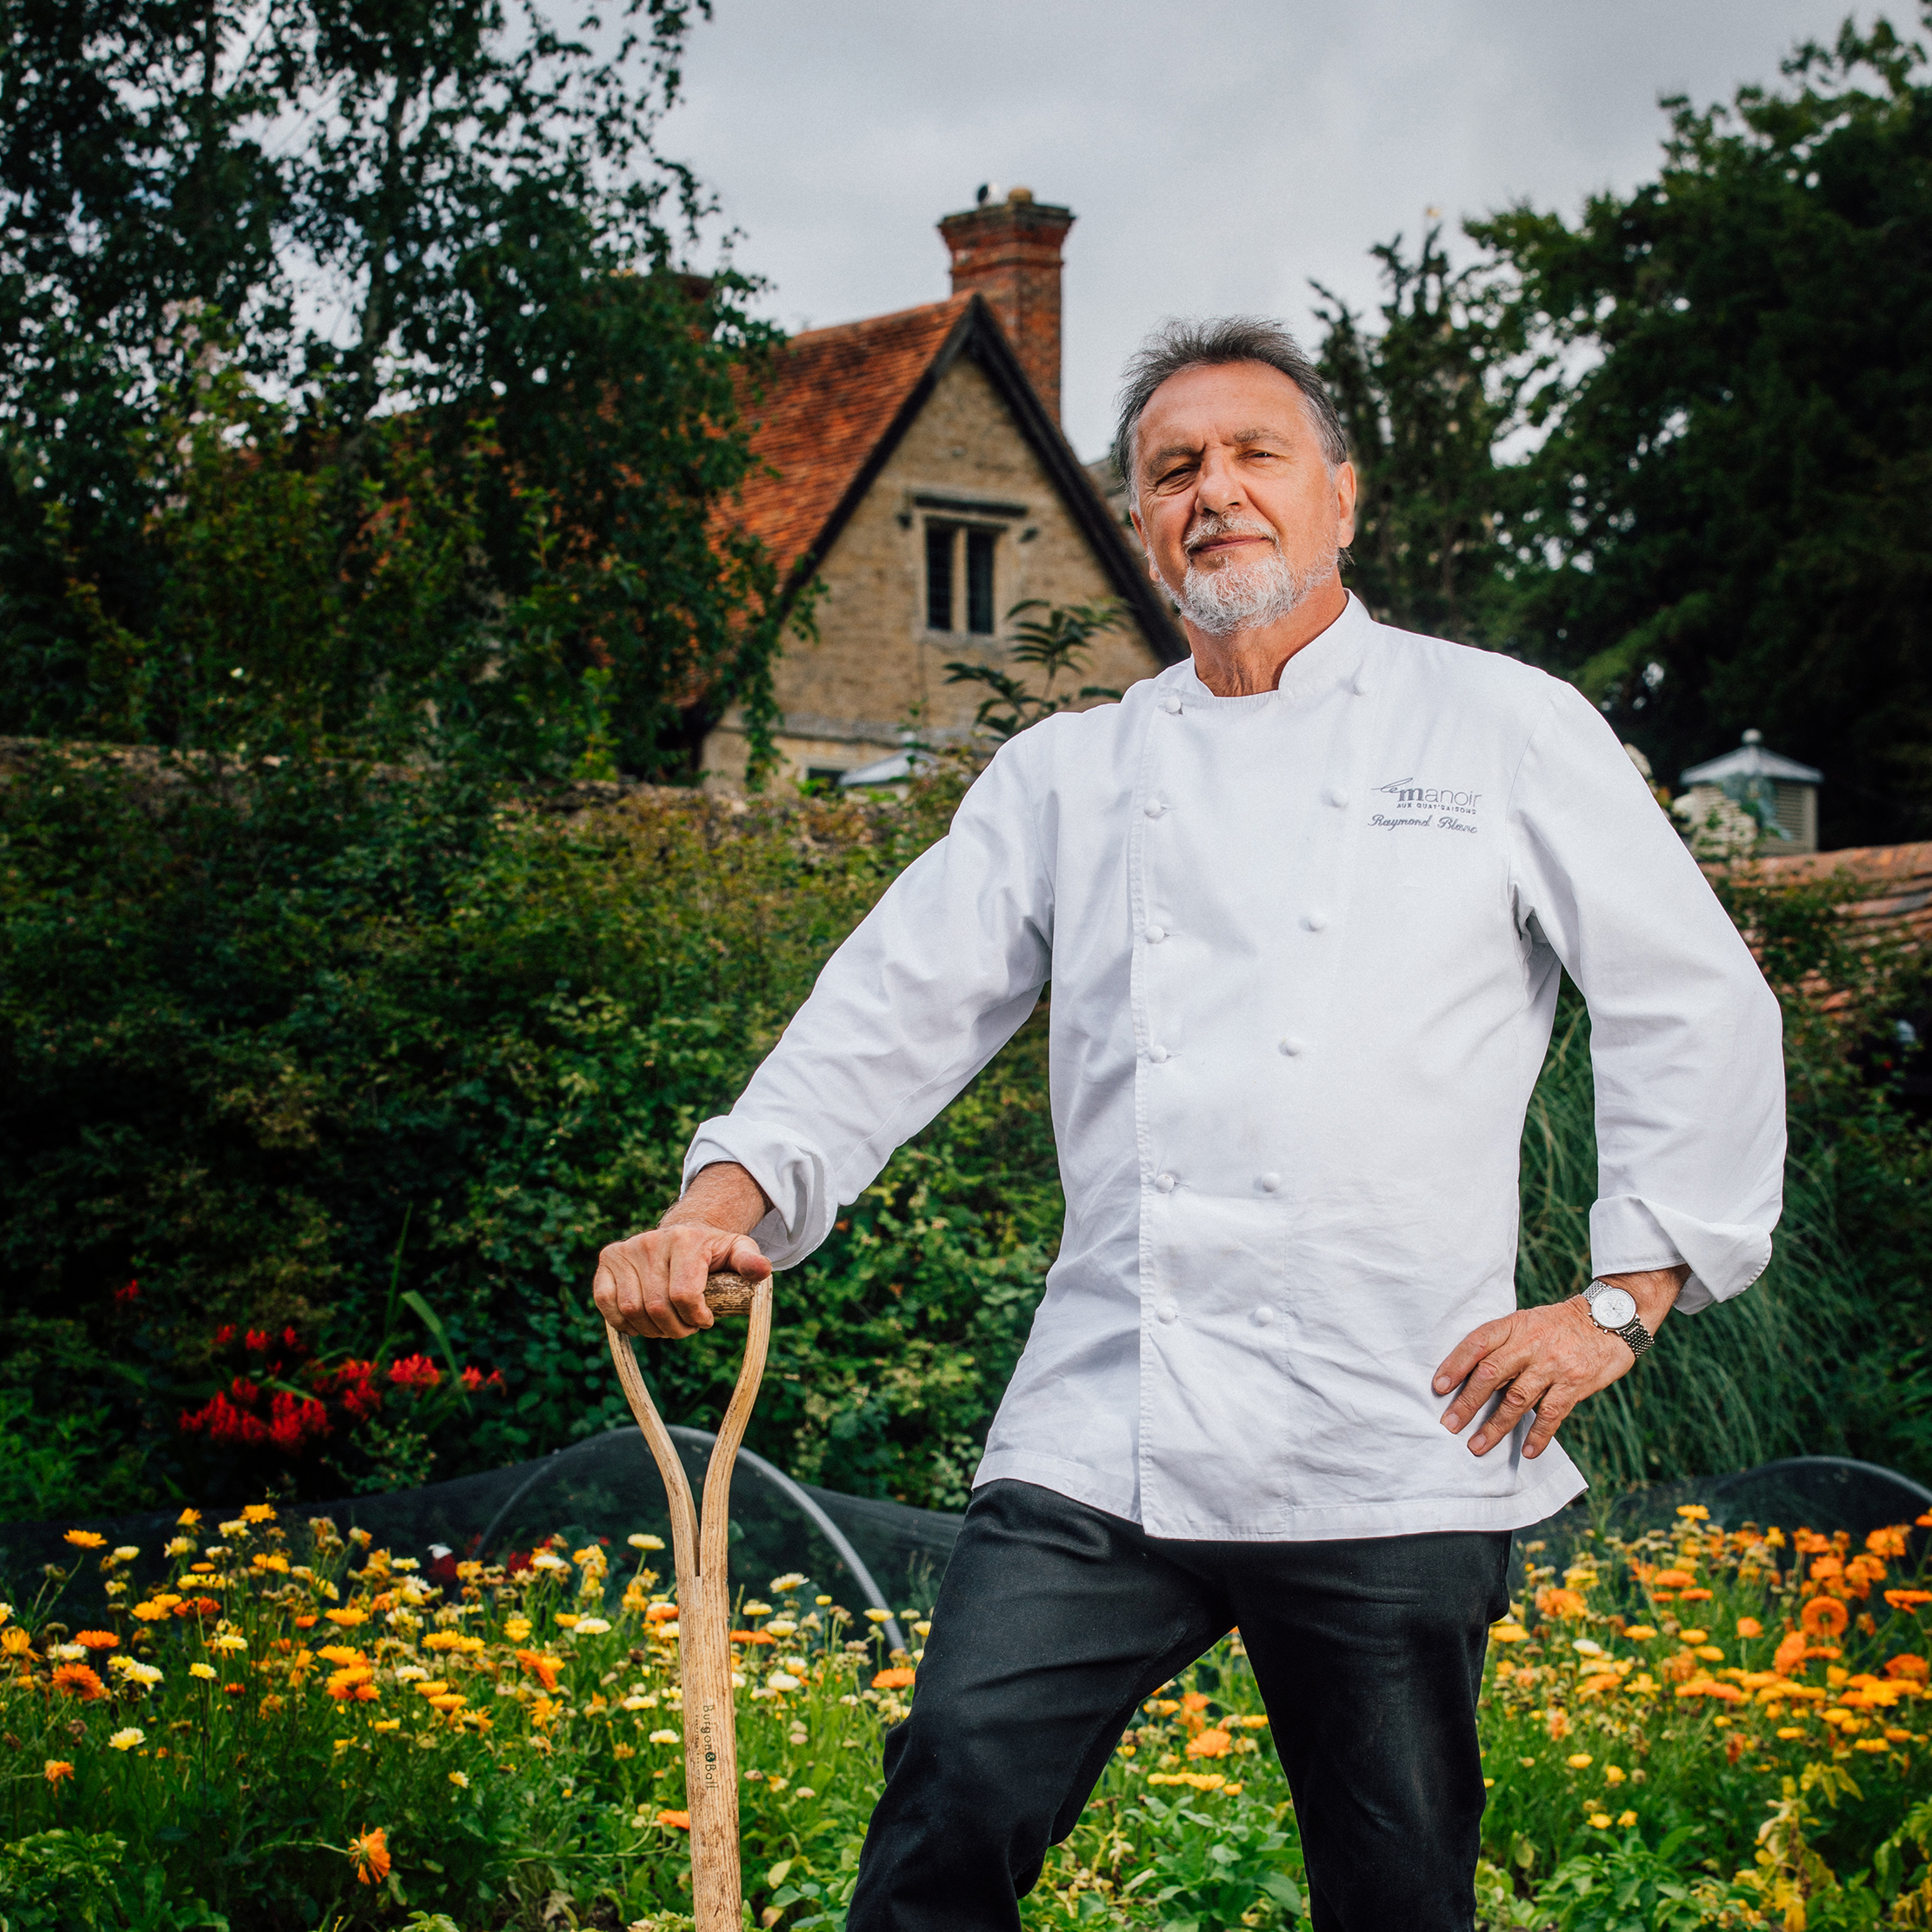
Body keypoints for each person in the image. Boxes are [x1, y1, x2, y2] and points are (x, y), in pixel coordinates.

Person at [593, 317, 1786, 1931]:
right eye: (1171, 470)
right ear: (1144, 525)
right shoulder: (1068, 777)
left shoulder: (1499, 725)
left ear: (1341, 499)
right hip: (1115, 1417)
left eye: (1251, 456)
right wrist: (720, 1204)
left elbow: (1688, 997)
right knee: (952, 1785)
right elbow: (887, 1013)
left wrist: (1621, 1297)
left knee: (1395, 1892)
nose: (1212, 491)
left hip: (1398, 1421)